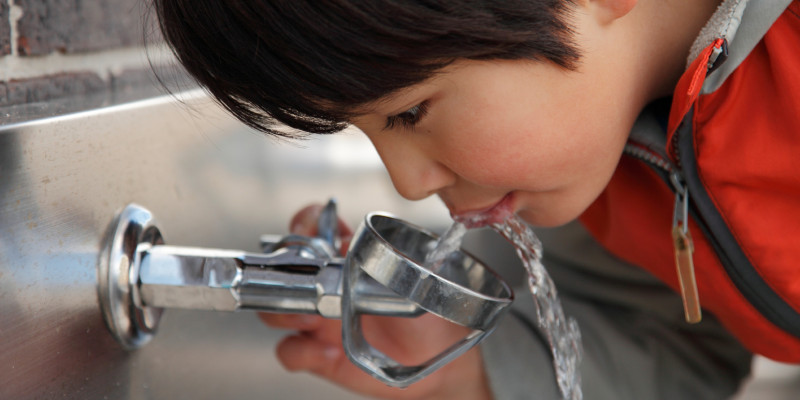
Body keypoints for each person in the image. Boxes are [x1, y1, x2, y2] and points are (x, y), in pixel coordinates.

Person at [151, 0, 800, 399]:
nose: (409, 184)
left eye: (408, 113)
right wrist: (478, 374)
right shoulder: (604, 154)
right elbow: (678, 344)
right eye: (369, 130)